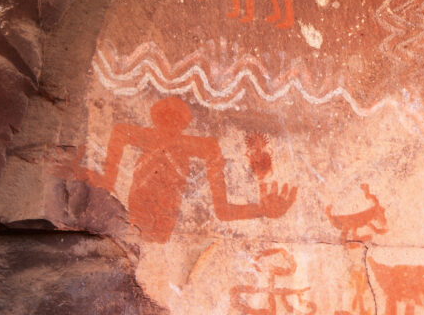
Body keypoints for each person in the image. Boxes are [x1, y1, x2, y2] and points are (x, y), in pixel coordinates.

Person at [63, 97, 296, 242]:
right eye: (165, 116)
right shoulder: (146, 137)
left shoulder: (200, 146)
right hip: (137, 217)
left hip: (153, 227)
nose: (170, 123)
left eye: (176, 118)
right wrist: (88, 173)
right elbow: (109, 175)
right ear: (155, 118)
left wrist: (261, 210)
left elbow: (223, 210)